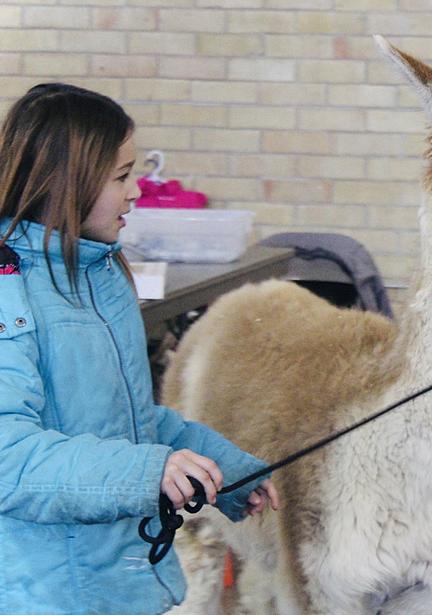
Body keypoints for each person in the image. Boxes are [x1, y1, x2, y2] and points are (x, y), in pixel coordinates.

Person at [0, 83, 280, 614]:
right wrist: (146, 473)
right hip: (45, 595)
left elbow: (129, 423)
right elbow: (7, 456)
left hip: (118, 582)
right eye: (122, 178)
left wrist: (224, 470)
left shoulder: (100, 276)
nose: (136, 193)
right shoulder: (8, 288)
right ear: (68, 181)